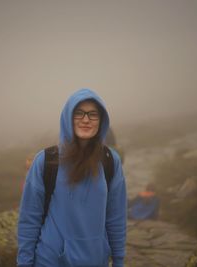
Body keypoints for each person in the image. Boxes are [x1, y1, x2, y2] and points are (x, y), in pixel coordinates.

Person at [17, 88, 127, 267]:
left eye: (93, 114)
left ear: (101, 121)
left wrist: (119, 261)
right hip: (50, 261)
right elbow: (29, 219)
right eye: (79, 113)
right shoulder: (45, 161)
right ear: (68, 117)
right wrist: (24, 263)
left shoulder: (110, 162)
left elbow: (116, 217)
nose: (85, 119)